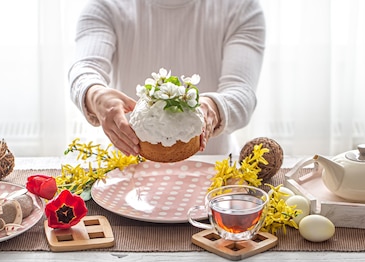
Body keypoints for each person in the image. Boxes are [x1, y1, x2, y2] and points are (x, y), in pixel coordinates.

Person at [68, 0, 265, 157]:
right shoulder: (104, 6)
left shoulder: (242, 7)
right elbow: (85, 71)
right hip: (129, 173)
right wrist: (96, 96)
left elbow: (242, 93)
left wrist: (212, 108)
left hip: (214, 171)